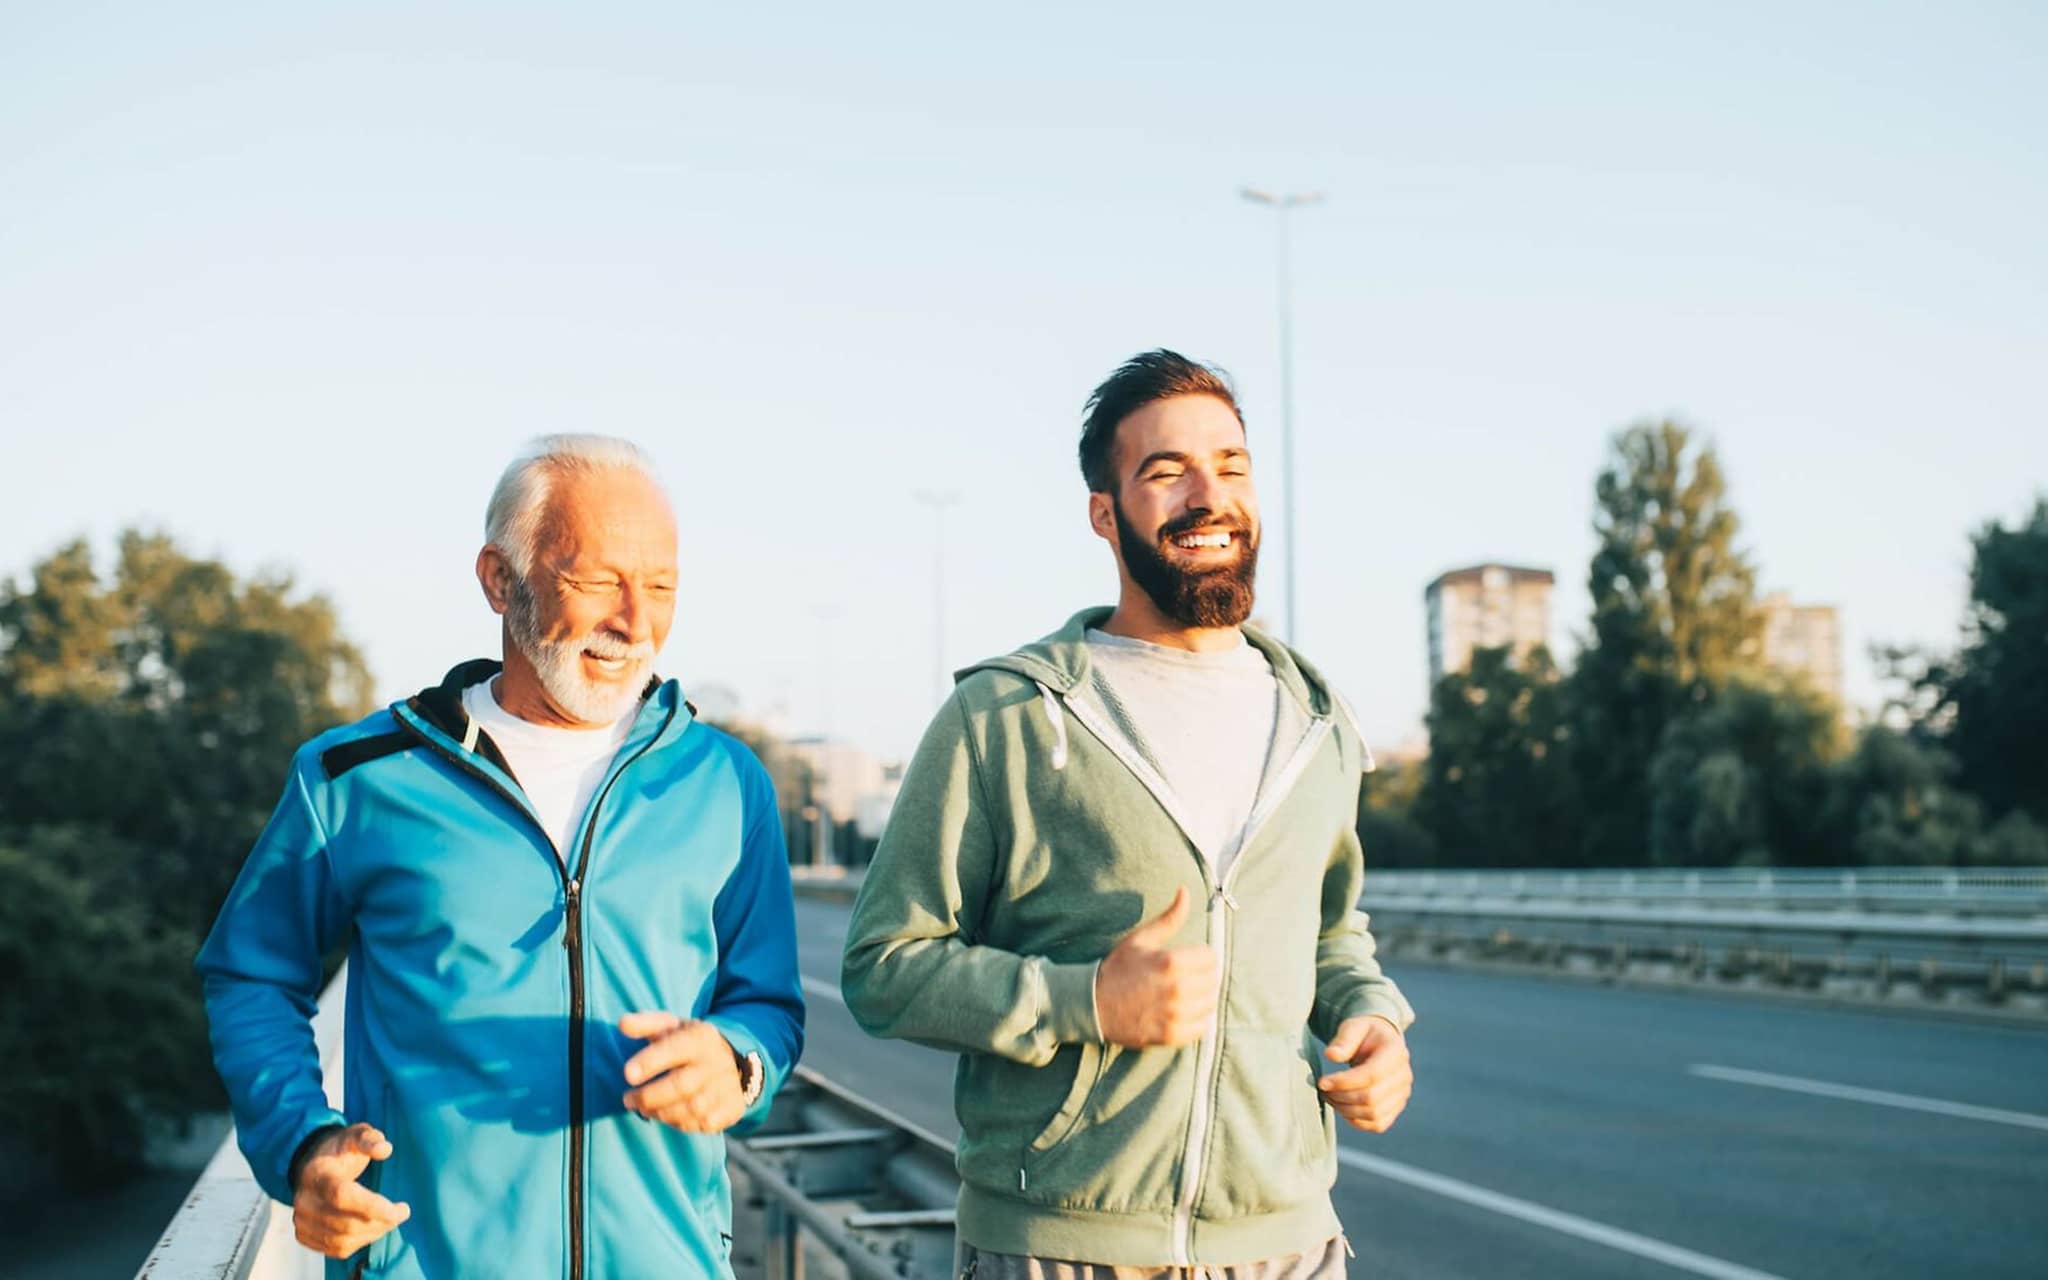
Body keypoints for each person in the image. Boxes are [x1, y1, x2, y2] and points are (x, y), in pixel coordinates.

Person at [842, 351, 1415, 1278]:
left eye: (1231, 465)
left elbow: (1331, 933)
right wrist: (1086, 1002)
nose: (1208, 494)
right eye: (1166, 471)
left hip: (1289, 1246)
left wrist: (1373, 1019)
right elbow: (883, 968)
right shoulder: (1007, 718)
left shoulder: (1319, 723)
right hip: (1062, 1249)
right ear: (1106, 514)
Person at [197, 435, 804, 1279]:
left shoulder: (727, 782)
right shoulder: (354, 778)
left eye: (661, 587)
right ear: (498, 579)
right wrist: (302, 1145)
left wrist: (738, 1062)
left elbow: (768, 1002)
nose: (635, 622)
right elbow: (251, 976)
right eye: (597, 581)